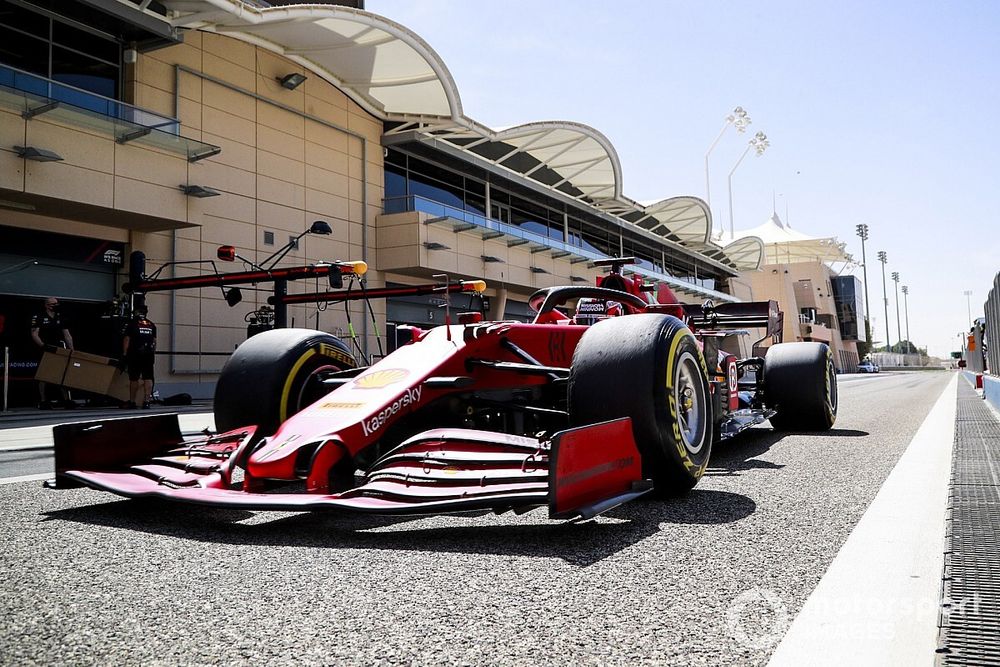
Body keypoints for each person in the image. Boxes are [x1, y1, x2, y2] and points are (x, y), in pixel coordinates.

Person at [30, 297, 73, 408]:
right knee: (44, 375)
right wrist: (43, 346)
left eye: (56, 304)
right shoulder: (39, 316)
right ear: (46, 305)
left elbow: (67, 335)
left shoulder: (60, 316)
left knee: (62, 374)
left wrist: (72, 350)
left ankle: (66, 400)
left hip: (59, 349)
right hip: (45, 348)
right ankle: (43, 401)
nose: (54, 306)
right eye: (52, 304)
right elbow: (35, 334)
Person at [122, 305, 157, 409]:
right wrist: (152, 353)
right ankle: (146, 401)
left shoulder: (132, 324)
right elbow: (155, 342)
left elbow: (127, 340)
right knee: (148, 377)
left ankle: (132, 401)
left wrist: (124, 354)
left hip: (135, 354)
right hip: (149, 354)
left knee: (134, 378)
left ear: (136, 312)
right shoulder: (152, 325)